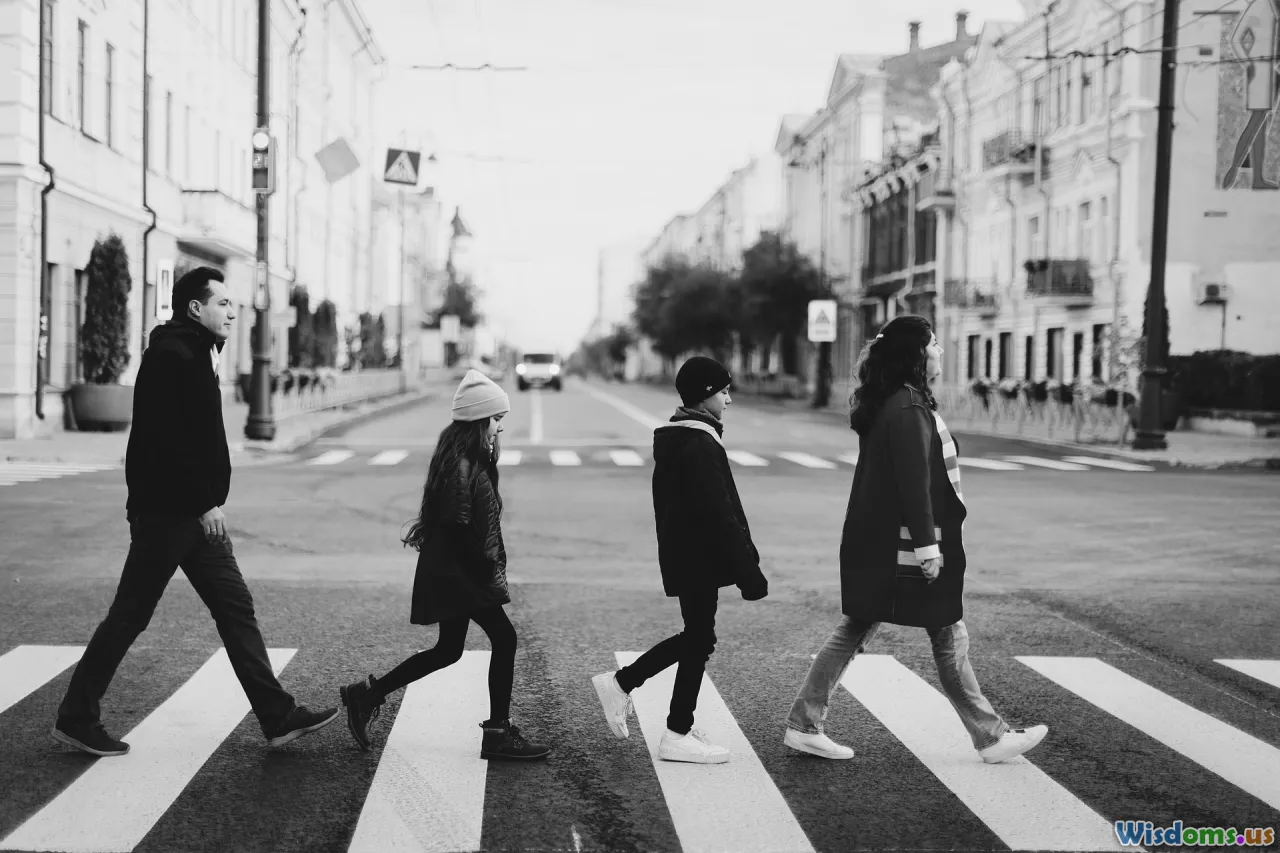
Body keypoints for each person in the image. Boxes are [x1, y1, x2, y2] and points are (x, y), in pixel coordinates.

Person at [53, 267, 338, 757]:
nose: (231, 311)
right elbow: (168, 441)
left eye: (232, 304)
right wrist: (204, 501)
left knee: (234, 608)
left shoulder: (191, 352)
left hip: (186, 514)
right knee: (129, 616)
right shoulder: (174, 355)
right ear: (195, 309)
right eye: (222, 303)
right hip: (169, 515)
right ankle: (77, 716)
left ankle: (277, 716)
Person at [781, 314, 1047, 763]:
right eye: (935, 344)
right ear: (917, 355)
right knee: (946, 632)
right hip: (902, 547)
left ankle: (805, 724)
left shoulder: (901, 401)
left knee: (868, 627)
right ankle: (993, 738)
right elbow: (913, 481)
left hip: (885, 542)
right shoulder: (907, 407)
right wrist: (928, 546)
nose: (941, 352)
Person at [339, 370, 550, 761]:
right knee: (504, 639)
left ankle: (367, 696)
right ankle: (497, 734)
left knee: (448, 650)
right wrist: (484, 572)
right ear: (478, 420)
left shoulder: (465, 459)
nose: (499, 429)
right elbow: (458, 526)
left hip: (456, 571)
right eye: (496, 420)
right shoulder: (463, 465)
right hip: (461, 573)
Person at [592, 356, 768, 764]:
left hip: (689, 554)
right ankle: (635, 696)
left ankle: (670, 723)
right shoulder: (698, 443)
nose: (729, 399)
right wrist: (748, 571)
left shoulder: (685, 436)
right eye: (724, 391)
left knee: (698, 637)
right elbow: (721, 513)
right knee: (699, 638)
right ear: (706, 395)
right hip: (699, 557)